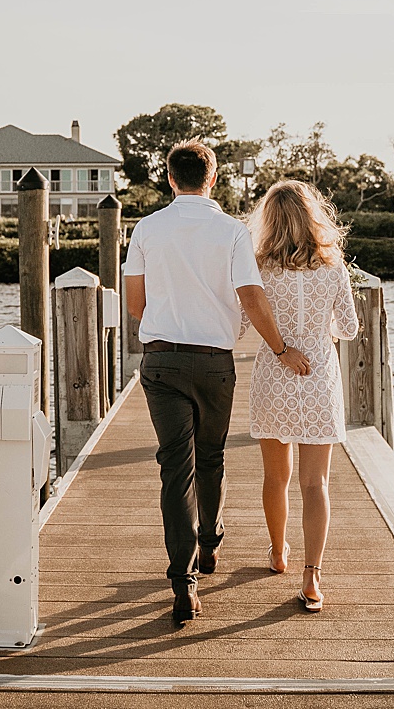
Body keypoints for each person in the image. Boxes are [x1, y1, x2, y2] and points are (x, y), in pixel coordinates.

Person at [123, 140, 301, 626]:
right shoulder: (232, 232)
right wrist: (282, 350)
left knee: (174, 469)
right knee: (212, 455)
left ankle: (183, 584)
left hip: (161, 363)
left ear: (169, 178)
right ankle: (209, 542)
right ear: (213, 178)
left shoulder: (146, 229)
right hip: (214, 362)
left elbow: (135, 306)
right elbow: (250, 296)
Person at [244, 179, 360, 613]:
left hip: (274, 376)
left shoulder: (257, 268)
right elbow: (347, 328)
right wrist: (319, 332)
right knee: (317, 482)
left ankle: (278, 553)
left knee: (276, 477)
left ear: (269, 221)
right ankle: (312, 577)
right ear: (315, 218)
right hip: (318, 379)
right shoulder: (333, 268)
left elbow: (241, 324)